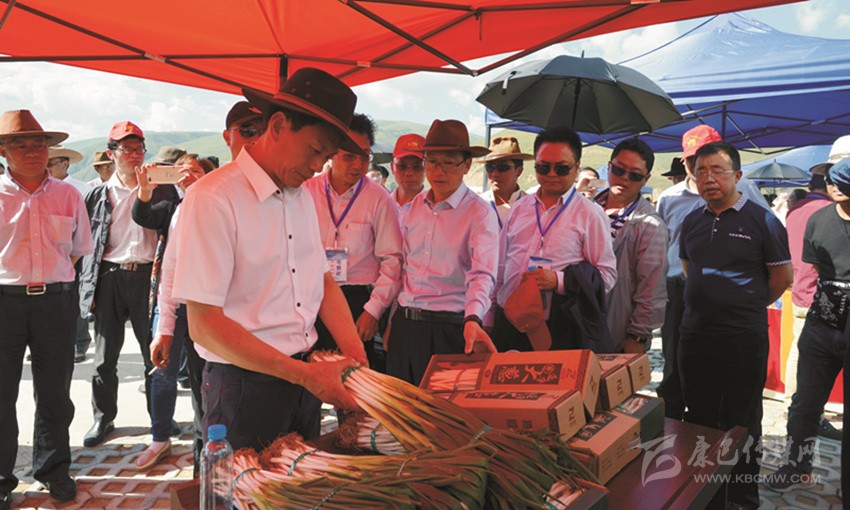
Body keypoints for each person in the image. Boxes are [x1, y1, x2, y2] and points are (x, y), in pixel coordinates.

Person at [170, 67, 368, 452]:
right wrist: (304, 375)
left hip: (305, 379)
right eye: (315, 151)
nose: (318, 167)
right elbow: (204, 324)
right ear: (277, 125)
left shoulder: (301, 196)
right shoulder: (214, 198)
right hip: (243, 386)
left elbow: (322, 280)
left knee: (303, 482)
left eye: (327, 157)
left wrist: (355, 354)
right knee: (242, 485)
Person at [679, 142, 792, 510]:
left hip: (743, 338)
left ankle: (742, 497)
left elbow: (782, 277)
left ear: (738, 176)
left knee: (742, 419)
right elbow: (689, 268)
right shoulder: (692, 221)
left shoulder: (763, 221)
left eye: (717, 170)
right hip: (696, 334)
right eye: (701, 172)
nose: (708, 178)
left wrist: (744, 304)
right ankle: (704, 495)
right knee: (699, 416)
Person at [0, 109, 93, 506]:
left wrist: (49, 279)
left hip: (55, 302)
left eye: (39, 144)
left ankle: (54, 470)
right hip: (4, 302)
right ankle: (2, 479)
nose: (32, 151)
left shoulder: (68, 194)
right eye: (20, 144)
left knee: (55, 393)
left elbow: (78, 249)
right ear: (3, 151)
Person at [655, 124, 771, 420]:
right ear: (684, 161)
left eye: (709, 160)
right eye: (694, 160)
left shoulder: (745, 189)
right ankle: (677, 431)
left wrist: (752, 297)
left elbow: (770, 243)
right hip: (680, 291)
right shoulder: (669, 198)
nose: (701, 167)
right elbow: (668, 249)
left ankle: (732, 435)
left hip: (733, 298)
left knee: (733, 378)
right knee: (675, 367)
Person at [78, 121, 180, 448]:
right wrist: (88, 288)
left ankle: (160, 417)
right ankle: (103, 418)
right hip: (110, 276)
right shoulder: (97, 193)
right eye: (127, 149)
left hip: (149, 277)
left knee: (154, 354)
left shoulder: (164, 189)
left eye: (139, 149)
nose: (135, 155)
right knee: (104, 357)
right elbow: (86, 243)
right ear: (112, 154)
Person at [386, 119, 499, 385]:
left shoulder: (479, 213)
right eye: (432, 162)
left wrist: (474, 318)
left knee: (440, 406)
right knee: (400, 405)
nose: (439, 171)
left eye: (448, 163)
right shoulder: (415, 207)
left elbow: (482, 274)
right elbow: (404, 269)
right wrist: (392, 320)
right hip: (406, 324)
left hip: (450, 328)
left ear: (466, 165)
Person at [490, 126, 617, 353]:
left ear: (577, 168)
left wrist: (559, 280)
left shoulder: (590, 214)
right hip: (510, 322)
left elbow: (607, 275)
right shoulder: (519, 208)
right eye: (543, 167)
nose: (551, 174)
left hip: (559, 328)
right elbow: (499, 268)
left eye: (561, 168)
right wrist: (489, 318)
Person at [766, 159, 850, 493]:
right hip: (821, 326)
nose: (834, 186)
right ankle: (796, 466)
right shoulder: (818, 219)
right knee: (804, 404)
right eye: (831, 181)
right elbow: (813, 269)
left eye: (842, 182)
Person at [303, 113, 403, 373]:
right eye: (349, 156)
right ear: (331, 153)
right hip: (309, 297)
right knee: (309, 379)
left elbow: (393, 261)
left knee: (353, 382)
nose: (358, 164)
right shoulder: (305, 191)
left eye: (365, 156)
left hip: (356, 302)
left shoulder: (379, 199)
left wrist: (373, 311)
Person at [133, 154, 214, 471]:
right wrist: (144, 189)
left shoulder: (220, 207)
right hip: (173, 301)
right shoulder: (172, 206)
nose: (188, 175)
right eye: (183, 170)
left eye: (196, 170)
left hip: (207, 302)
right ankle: (159, 438)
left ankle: (206, 442)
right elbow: (143, 216)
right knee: (163, 371)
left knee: (204, 374)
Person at [593, 138, 668, 352]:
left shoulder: (650, 226)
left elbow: (652, 288)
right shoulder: (587, 209)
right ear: (609, 167)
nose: (624, 178)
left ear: (646, 179)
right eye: (619, 170)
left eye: (634, 175)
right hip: (578, 322)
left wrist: (638, 336)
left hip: (617, 328)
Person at [47, 145, 93, 363]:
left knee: (75, 299)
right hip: (51, 256)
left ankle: (79, 342)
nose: (47, 168)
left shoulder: (81, 189)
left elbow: (87, 228)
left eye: (51, 164)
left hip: (77, 254)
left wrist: (73, 259)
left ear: (65, 164)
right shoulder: (41, 190)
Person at [478, 136, 532, 230]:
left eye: (502, 167)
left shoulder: (532, 207)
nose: (495, 173)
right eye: (490, 167)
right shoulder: (478, 205)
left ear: (518, 171)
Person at [389, 133, 426, 226]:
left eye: (417, 167)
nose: (409, 173)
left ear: (427, 169)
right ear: (392, 167)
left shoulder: (434, 210)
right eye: (402, 166)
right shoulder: (382, 204)